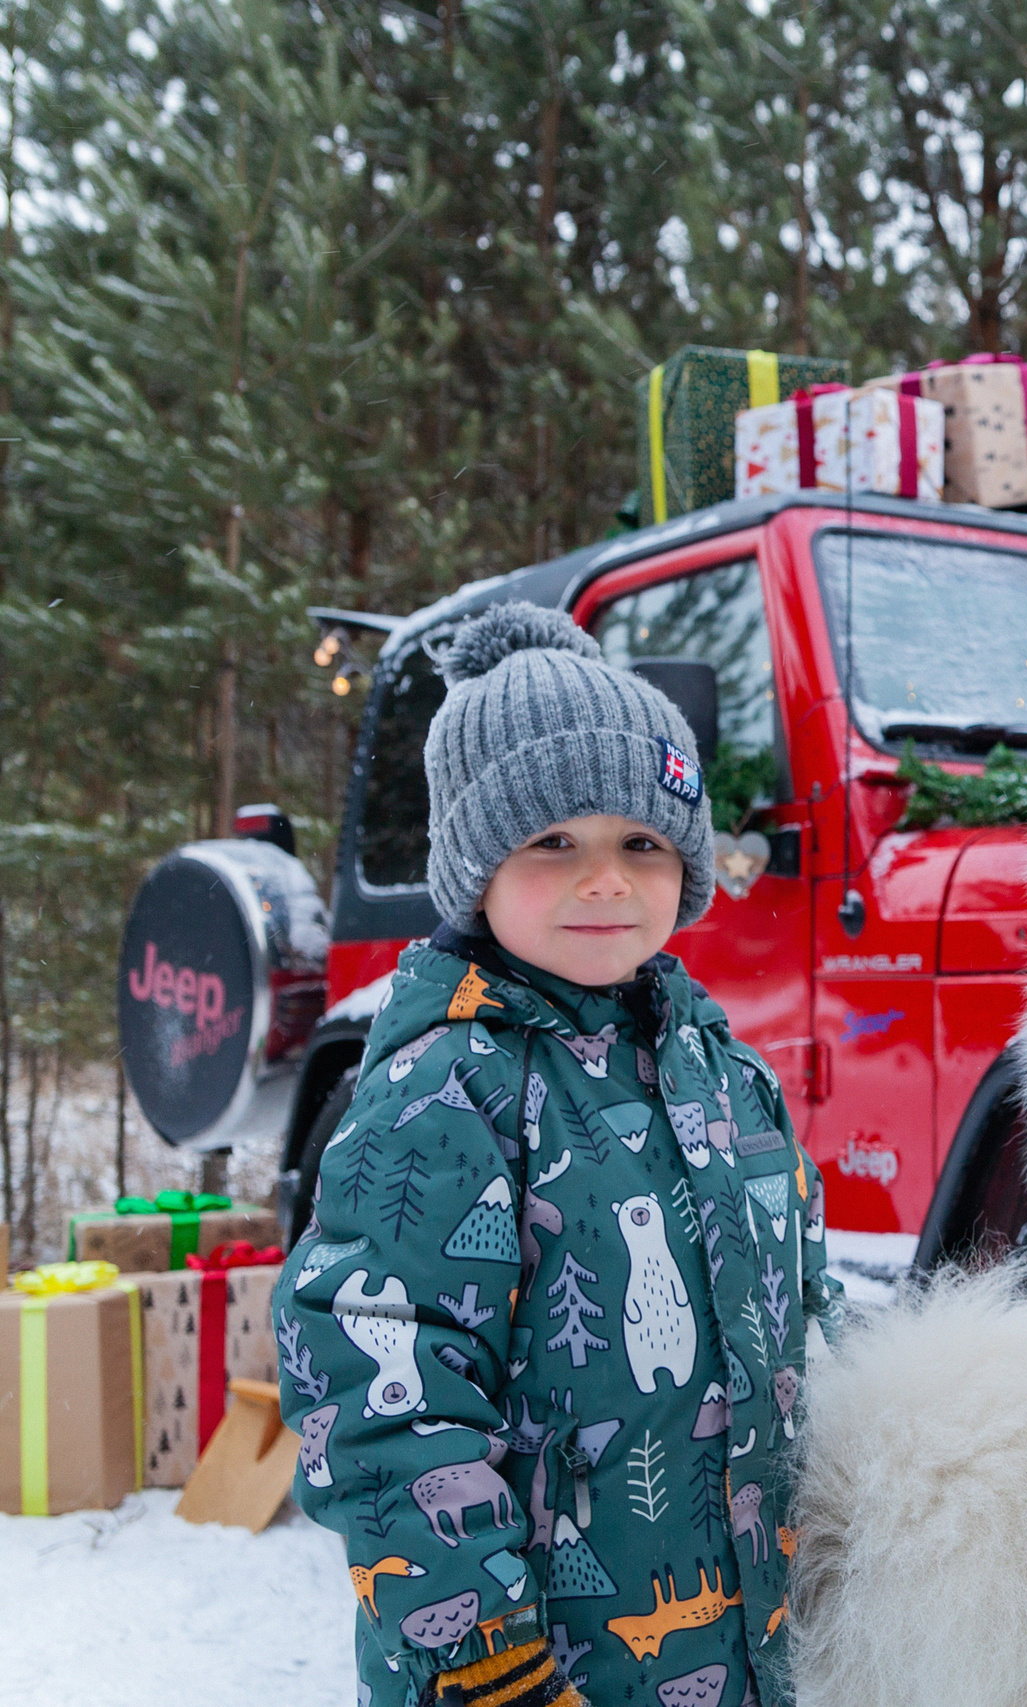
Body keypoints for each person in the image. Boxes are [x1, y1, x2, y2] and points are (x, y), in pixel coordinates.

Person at [276, 604, 840, 1707]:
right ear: (475, 870)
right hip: (529, 1667)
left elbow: (804, 1312)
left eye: (641, 842)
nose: (607, 880)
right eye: (552, 844)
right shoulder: (444, 1091)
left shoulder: (726, 1077)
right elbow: (379, 1382)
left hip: (734, 1651)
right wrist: (485, 1648)